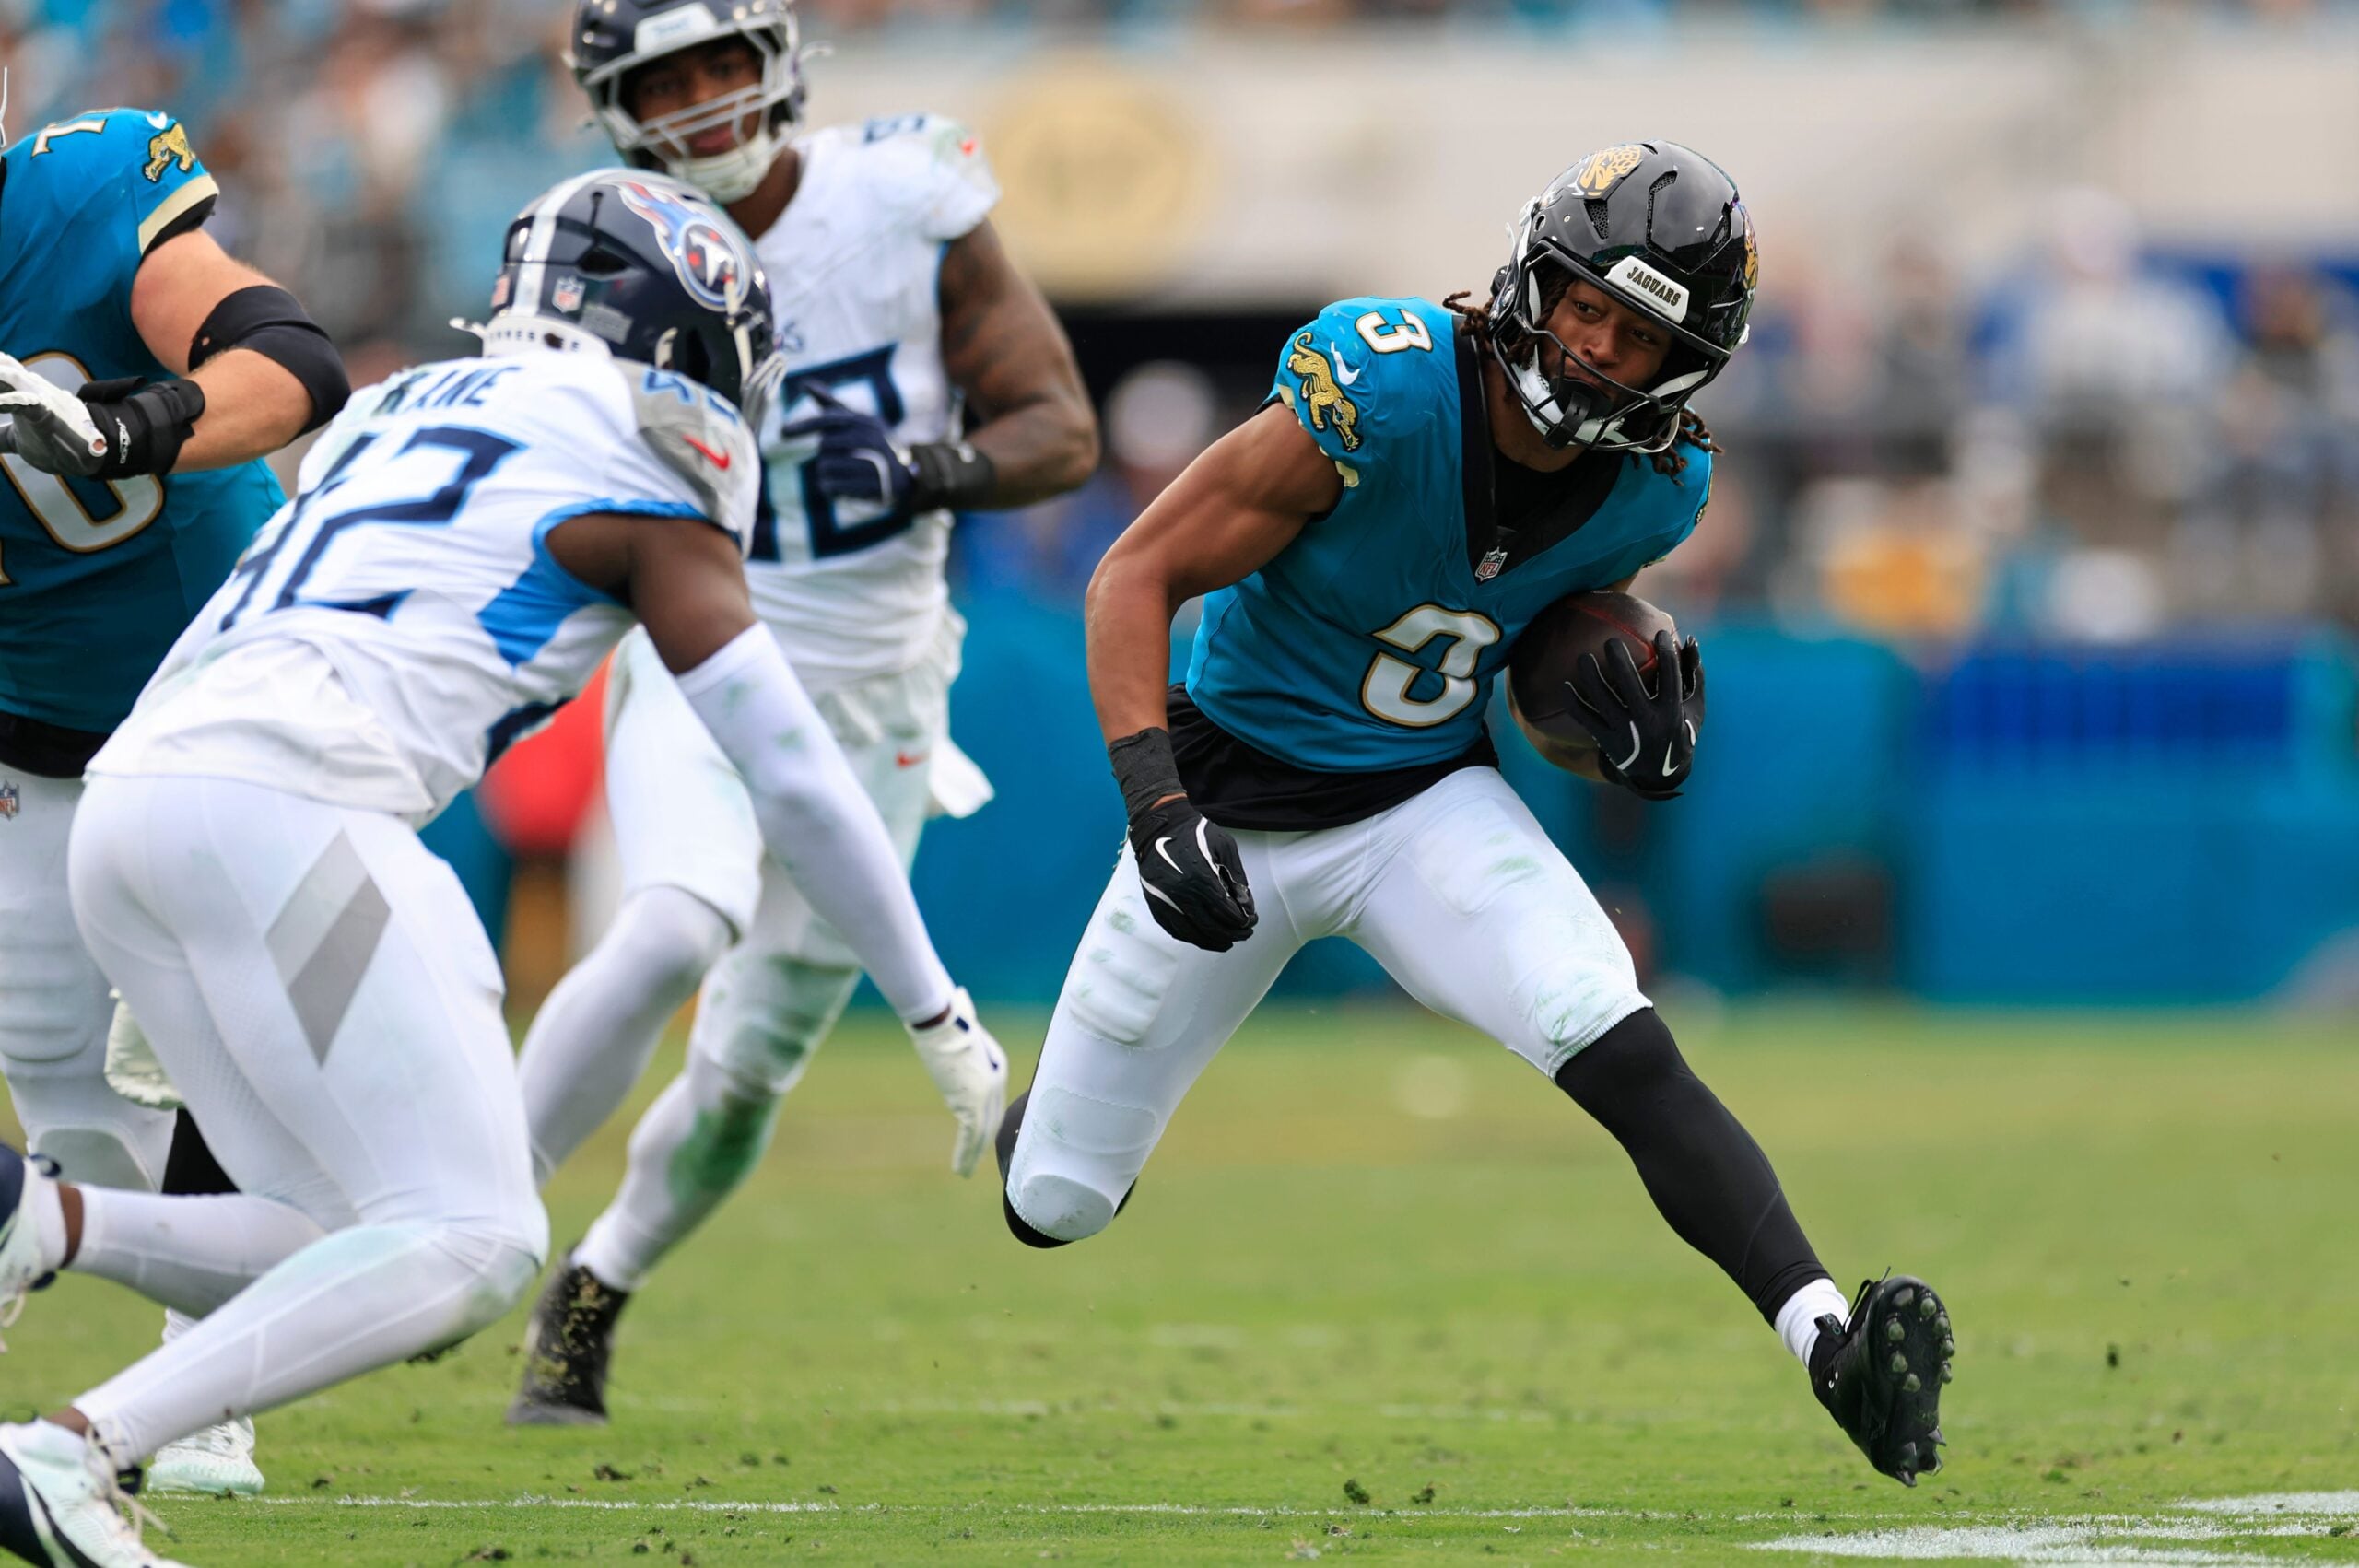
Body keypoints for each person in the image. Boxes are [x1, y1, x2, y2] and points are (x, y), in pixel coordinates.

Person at [0, 169, 1006, 1568]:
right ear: (682, 325)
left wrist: (164, 838)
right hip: (289, 801)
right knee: (474, 1237)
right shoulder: (652, 455)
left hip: (142, 786)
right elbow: (790, 769)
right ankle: (70, 1452)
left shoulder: (403, 408)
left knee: (328, 1230)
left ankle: (38, 1217)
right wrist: (933, 1006)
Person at [994, 142, 1954, 1487]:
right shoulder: (1382, 387)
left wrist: (1612, 729)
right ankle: (1038, 1121)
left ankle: (1829, 1340)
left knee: (1605, 1025)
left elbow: (1507, 659)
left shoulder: (1657, 485)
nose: (1591, 344)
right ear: (1533, 276)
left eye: (1633, 334)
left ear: (1684, 368)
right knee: (1053, 1203)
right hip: (1223, 799)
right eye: (1583, 304)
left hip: (1416, 804)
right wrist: (1154, 802)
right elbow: (1132, 572)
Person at [507, 0, 1097, 1426]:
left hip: (882, 684)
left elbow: (1057, 427)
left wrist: (929, 470)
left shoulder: (901, 196)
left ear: (777, 63)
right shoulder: (597, 233)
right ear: (614, 103)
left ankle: (595, 1281)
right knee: (673, 917)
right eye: (669, 78)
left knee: (746, 1071)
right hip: (704, 659)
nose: (707, 100)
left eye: (725, 63)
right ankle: (453, 1202)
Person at [0, 102, 351, 1498]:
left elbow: (292, 362)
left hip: (219, 693)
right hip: (33, 738)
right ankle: (269, 1276)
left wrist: (125, 423)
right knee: (75, 1117)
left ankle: (203, 1389)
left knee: (222, 1045)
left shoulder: (76, 198)